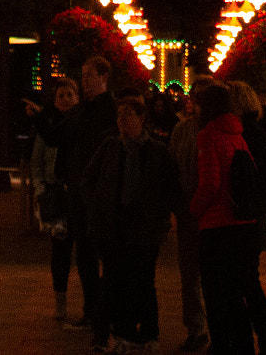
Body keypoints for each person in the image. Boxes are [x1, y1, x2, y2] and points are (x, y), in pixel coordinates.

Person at [84, 94, 182, 353]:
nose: (121, 121)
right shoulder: (110, 146)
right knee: (113, 278)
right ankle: (113, 333)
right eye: (119, 116)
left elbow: (170, 188)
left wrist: (162, 217)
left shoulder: (157, 151)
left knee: (143, 279)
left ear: (141, 118)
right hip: (111, 224)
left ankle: (148, 332)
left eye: (127, 115)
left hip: (144, 226)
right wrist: (96, 209)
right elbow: (90, 179)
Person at [188, 79, 256, 355]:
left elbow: (210, 183)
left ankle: (221, 346)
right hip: (242, 223)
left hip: (217, 226)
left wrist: (193, 212)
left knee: (215, 293)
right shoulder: (237, 134)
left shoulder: (207, 136)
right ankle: (243, 345)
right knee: (236, 293)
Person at [62, 56, 120, 345]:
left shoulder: (109, 110)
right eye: (82, 76)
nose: (84, 81)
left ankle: (103, 315)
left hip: (97, 194)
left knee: (101, 255)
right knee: (83, 254)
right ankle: (92, 309)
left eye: (89, 76)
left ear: (103, 77)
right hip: (79, 190)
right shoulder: (83, 108)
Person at [229, 81, 266, 355]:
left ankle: (258, 341)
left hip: (246, 215)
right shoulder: (261, 133)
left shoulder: (244, 135)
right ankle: (264, 340)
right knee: (249, 279)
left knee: (244, 281)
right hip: (258, 212)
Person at [29, 77, 83, 323]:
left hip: (79, 195)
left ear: (77, 97)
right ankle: (60, 302)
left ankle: (87, 304)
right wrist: (41, 190)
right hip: (57, 195)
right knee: (60, 251)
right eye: (61, 96)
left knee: (85, 251)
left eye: (69, 95)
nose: (65, 100)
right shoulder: (48, 126)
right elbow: (37, 161)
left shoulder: (82, 124)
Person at [167, 89, 210, 352]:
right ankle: (196, 327)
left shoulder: (217, 130)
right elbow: (172, 164)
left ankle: (215, 325)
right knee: (189, 272)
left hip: (212, 213)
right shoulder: (182, 131)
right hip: (186, 210)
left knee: (212, 273)